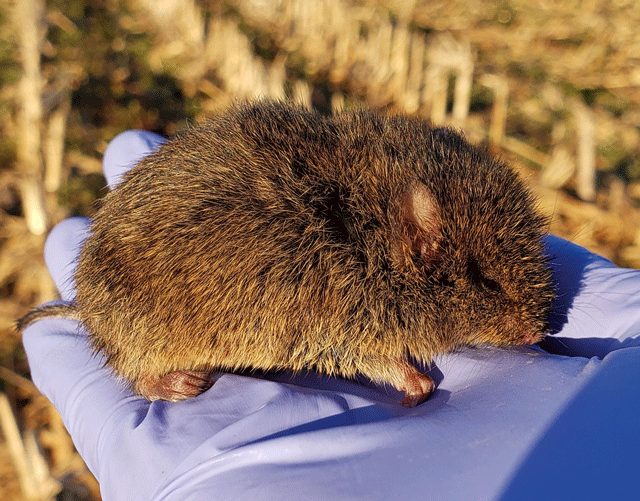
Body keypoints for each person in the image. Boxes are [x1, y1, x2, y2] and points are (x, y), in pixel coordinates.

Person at [21, 130, 640, 500]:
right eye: (495, 291)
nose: (528, 325)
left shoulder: (400, 241)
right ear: (417, 243)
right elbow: (323, 325)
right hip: (141, 302)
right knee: (149, 339)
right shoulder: (349, 276)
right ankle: (149, 367)